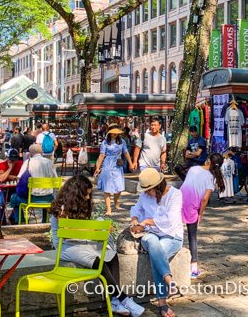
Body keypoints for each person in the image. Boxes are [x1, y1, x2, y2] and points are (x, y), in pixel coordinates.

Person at [49, 174, 145, 317]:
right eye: (86, 195)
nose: (88, 198)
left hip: (80, 242)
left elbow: (82, 230)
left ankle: (114, 300)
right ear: (77, 193)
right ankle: (123, 299)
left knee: (110, 255)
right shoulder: (62, 208)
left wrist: (100, 229)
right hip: (66, 246)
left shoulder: (80, 206)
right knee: (98, 262)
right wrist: (95, 229)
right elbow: (68, 233)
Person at [130, 168, 183, 317]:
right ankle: (168, 280)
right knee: (153, 243)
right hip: (150, 234)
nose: (146, 193)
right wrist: (135, 220)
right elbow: (136, 209)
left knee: (157, 253)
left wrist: (147, 221)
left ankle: (162, 303)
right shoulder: (144, 196)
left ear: (158, 186)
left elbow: (171, 221)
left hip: (172, 235)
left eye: (149, 190)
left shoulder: (175, 195)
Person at [180, 153, 224, 279]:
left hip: (179, 201)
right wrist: (201, 214)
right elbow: (205, 199)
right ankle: (193, 268)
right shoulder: (211, 178)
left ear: (208, 161)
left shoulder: (193, 169)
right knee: (192, 236)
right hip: (193, 205)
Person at [8, 143, 57, 224]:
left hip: (32, 198)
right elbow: (55, 179)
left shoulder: (28, 162)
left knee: (14, 198)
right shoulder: (49, 162)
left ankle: (20, 220)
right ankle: (45, 220)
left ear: (30, 153)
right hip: (49, 198)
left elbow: (19, 179)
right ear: (41, 153)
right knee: (45, 194)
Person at [95, 125, 135, 216]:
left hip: (118, 164)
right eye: (113, 132)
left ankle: (116, 201)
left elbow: (126, 153)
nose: (115, 134)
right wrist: (98, 167)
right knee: (107, 187)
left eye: (116, 132)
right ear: (109, 132)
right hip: (107, 164)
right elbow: (101, 155)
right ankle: (108, 208)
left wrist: (131, 163)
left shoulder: (122, 142)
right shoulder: (105, 142)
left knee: (119, 186)